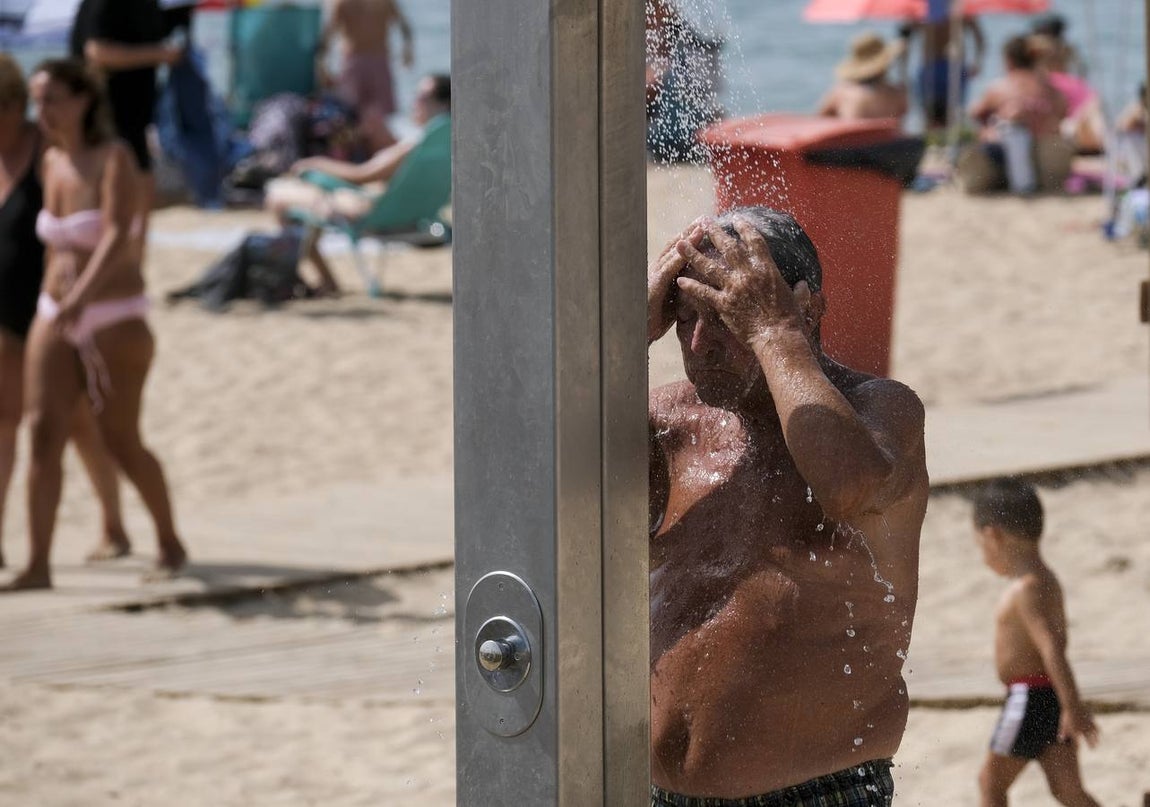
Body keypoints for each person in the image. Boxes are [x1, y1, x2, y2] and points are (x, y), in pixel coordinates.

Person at [647, 207, 928, 804]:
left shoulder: (880, 412)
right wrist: (614, 337)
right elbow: (524, 480)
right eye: (684, 317)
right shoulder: (669, 426)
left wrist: (774, 332)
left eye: (725, 319)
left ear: (808, 308)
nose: (699, 344)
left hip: (818, 792)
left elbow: (847, 489)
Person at [3, 59, 186, 592]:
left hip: (114, 314)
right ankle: (38, 564)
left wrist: (80, 296)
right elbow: (53, 245)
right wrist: (52, 299)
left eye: (54, 97)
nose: (44, 110)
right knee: (41, 432)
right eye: (38, 99)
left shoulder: (114, 158)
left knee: (120, 436)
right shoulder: (52, 161)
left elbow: (116, 236)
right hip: (54, 313)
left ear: (84, 99)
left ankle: (170, 541)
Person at [971, 478, 1102, 807]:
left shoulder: (1027, 588)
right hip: (1050, 699)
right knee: (1068, 791)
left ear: (993, 536)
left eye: (980, 546)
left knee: (990, 783)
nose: (983, 555)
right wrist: (1067, 703)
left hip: (1028, 698)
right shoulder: (1046, 580)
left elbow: (1051, 647)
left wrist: (1074, 706)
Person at [264, 73, 450, 295]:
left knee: (278, 196)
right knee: (307, 196)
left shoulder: (414, 144)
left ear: (445, 103)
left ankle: (315, 278)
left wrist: (316, 164)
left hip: (373, 213)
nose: (415, 102)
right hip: (415, 212)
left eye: (423, 97)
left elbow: (361, 175)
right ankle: (321, 278)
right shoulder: (450, 142)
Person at [69, 0, 183, 255]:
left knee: (139, 193)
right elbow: (97, 51)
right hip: (104, 119)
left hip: (134, 117)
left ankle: (131, 270)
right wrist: (159, 54)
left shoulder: (150, 6)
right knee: (113, 200)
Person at [962, 36, 1070, 195]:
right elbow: (1063, 111)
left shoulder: (1002, 86)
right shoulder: (1048, 87)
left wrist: (987, 125)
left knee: (998, 133)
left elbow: (975, 112)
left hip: (1011, 143)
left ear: (1008, 60)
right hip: (1046, 149)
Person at [318, 0, 413, 152]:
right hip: (378, 60)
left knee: (352, 112)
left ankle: (365, 155)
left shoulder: (342, 3)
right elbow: (405, 26)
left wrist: (322, 64)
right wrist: (408, 50)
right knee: (376, 115)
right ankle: (374, 153)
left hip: (355, 61)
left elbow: (328, 34)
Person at [900, 11, 985, 131]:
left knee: (937, 116)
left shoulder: (922, 8)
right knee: (947, 115)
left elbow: (904, 41)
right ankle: (944, 146)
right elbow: (979, 36)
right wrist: (978, 62)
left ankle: (936, 146)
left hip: (938, 67)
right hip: (947, 67)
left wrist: (903, 72)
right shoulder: (957, 7)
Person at [818, 31, 908, 122]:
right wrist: (903, 72)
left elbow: (819, 119)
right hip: (888, 135)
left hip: (854, 135)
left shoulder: (843, 92)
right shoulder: (896, 94)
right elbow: (902, 114)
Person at [1030, 13, 1085, 78]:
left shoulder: (1038, 45)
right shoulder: (1066, 47)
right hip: (1059, 79)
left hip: (1048, 79)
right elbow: (1080, 67)